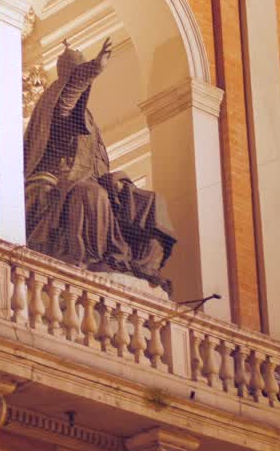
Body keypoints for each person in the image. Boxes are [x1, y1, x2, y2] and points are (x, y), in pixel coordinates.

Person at [23, 38, 176, 292]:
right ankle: (92, 259)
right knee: (92, 195)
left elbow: (97, 161)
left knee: (149, 201)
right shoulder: (55, 100)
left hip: (93, 179)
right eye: (78, 72)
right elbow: (66, 106)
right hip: (63, 180)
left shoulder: (89, 117)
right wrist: (91, 70)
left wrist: (115, 180)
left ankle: (147, 266)